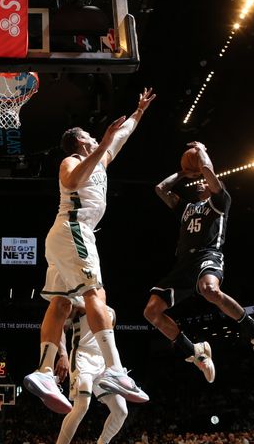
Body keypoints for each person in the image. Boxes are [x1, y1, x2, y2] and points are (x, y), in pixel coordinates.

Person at [24, 88, 156, 413]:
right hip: (73, 230)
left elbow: (121, 136)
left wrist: (139, 112)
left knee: (60, 304)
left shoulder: (102, 159)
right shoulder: (72, 160)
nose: (98, 138)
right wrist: (101, 146)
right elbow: (70, 182)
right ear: (82, 142)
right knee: (96, 295)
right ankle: (114, 370)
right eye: (92, 136)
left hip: (65, 236)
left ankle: (43, 372)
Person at [143, 141, 254, 383]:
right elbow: (160, 189)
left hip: (208, 255)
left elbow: (207, 170)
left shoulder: (220, 202)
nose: (203, 182)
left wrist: (202, 151)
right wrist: (183, 172)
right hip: (183, 264)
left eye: (209, 181)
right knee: (151, 312)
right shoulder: (186, 208)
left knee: (209, 290)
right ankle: (196, 353)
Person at [44, 301, 131, 444]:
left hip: (105, 363)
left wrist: (118, 369)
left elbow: (109, 340)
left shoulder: (111, 310)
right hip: (82, 357)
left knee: (121, 411)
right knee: (81, 406)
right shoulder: (77, 304)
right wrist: (63, 355)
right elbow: (59, 327)